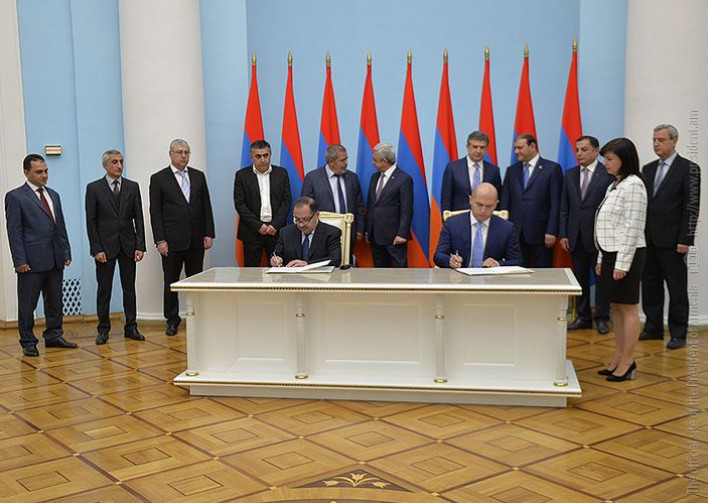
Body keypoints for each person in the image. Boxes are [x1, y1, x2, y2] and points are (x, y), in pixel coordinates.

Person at [5, 154, 77, 356]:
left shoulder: (54, 195)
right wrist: (19, 260)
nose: (44, 175)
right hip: (31, 261)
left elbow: (60, 226)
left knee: (55, 301)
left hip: (55, 258)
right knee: (28, 304)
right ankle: (28, 341)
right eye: (39, 172)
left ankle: (54, 335)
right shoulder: (15, 197)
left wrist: (66, 251)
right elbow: (14, 232)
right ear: (26, 172)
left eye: (46, 171)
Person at [639, 124, 701, 350]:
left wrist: (686, 239)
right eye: (654, 140)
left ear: (674, 141)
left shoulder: (689, 169)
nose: (656, 144)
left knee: (676, 289)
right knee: (650, 286)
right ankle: (653, 328)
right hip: (649, 239)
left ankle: (678, 333)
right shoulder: (648, 169)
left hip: (674, 241)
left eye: (661, 140)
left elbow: (691, 207)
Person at [594, 137, 647, 382]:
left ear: (624, 160)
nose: (605, 163)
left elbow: (632, 227)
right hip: (610, 252)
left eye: (610, 158)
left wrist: (623, 263)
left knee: (627, 307)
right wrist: (601, 256)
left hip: (627, 255)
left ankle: (628, 361)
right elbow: (607, 225)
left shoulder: (634, 184)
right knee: (615, 306)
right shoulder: (615, 184)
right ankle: (617, 356)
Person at [149, 139, 215, 336]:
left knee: (196, 280)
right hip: (171, 241)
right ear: (170, 154)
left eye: (187, 152)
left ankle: (197, 315)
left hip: (196, 239)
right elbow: (155, 212)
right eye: (179, 152)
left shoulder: (198, 176)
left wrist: (209, 233)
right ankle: (172, 319)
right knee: (171, 281)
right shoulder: (159, 178)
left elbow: (206, 206)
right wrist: (160, 240)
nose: (183, 156)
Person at [85, 150, 146, 345]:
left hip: (128, 246)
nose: (119, 165)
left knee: (129, 288)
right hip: (105, 248)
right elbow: (91, 221)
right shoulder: (94, 188)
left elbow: (139, 218)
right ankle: (103, 329)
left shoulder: (132, 187)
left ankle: (131, 327)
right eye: (114, 162)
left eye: (121, 161)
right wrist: (96, 249)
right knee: (104, 289)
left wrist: (140, 245)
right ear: (105, 165)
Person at [560, 136, 614, 334]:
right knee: (580, 279)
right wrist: (563, 234)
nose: (579, 154)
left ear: (596, 151)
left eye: (584, 149)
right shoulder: (570, 174)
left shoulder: (607, 174)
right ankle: (583, 317)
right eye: (577, 150)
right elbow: (564, 207)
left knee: (602, 280)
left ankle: (602, 318)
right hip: (576, 237)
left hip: (599, 238)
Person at [500, 133, 563, 267]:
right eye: (515, 148)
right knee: (517, 272)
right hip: (515, 233)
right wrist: (504, 230)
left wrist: (551, 230)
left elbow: (556, 203)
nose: (516, 151)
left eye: (520, 148)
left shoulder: (552, 169)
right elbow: (505, 202)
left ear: (532, 146)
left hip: (541, 233)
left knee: (542, 273)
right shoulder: (512, 171)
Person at [434, 183, 522, 268]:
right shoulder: (452, 224)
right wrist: (450, 261)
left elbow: (516, 261)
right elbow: (438, 256)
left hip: (490, 277)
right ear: (470, 200)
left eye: (489, 206)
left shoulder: (506, 228)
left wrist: (498, 264)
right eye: (479, 205)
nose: (483, 210)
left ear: (496, 204)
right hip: (459, 276)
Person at [234, 140, 292, 267]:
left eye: (266, 155)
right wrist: (259, 226)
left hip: (276, 231)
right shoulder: (242, 176)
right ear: (252, 158)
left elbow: (287, 201)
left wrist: (274, 225)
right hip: (252, 232)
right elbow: (240, 204)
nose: (263, 160)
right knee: (251, 272)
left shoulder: (281, 174)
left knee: (278, 269)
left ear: (270, 155)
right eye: (258, 156)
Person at [301, 144, 365, 253]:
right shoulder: (313, 178)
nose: (346, 163)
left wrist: (359, 229)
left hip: (348, 232)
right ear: (331, 161)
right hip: (323, 234)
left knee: (346, 261)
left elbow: (359, 205)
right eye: (342, 160)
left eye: (346, 159)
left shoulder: (352, 178)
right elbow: (307, 207)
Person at [365, 142, 413, 268]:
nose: (372, 163)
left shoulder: (403, 179)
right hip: (375, 237)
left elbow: (407, 209)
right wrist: (368, 230)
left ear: (384, 161)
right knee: (379, 273)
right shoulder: (374, 178)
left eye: (375, 160)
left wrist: (402, 234)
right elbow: (371, 206)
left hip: (394, 238)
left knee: (399, 274)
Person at [270, 197, 342, 267]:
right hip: (292, 275)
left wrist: (307, 264)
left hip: (319, 274)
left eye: (305, 219)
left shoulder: (331, 233)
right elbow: (277, 253)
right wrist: (275, 259)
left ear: (317, 215)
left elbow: (335, 260)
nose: (301, 225)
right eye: (297, 219)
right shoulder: (286, 232)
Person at [440, 131, 502, 212]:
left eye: (482, 147)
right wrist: (447, 218)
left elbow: (497, 198)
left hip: (485, 216)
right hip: (459, 217)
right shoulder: (453, 168)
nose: (478, 151)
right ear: (468, 147)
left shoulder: (493, 171)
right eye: (475, 147)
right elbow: (446, 199)